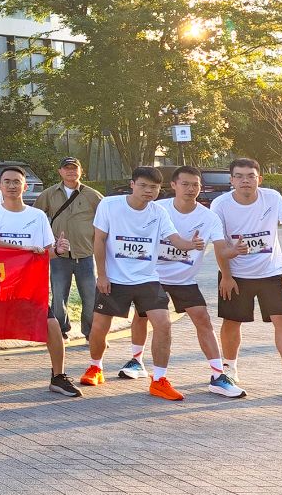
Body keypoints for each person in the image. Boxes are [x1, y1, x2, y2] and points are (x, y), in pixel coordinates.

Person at [81, 166, 208, 400]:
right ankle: (95, 367)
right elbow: (99, 240)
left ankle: (159, 380)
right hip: (115, 279)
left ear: (160, 189)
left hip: (147, 279)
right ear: (132, 185)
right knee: (99, 327)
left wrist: (192, 244)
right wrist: (102, 275)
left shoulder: (159, 212)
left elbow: (175, 239)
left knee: (164, 324)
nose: (148, 191)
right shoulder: (109, 205)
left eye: (154, 187)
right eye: (143, 186)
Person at [117, 166, 243, 398]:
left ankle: (218, 376)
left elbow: (221, 249)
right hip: (153, 276)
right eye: (185, 184)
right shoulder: (158, 209)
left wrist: (233, 252)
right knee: (142, 316)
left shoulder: (208, 217)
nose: (190, 189)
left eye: (195, 185)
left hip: (184, 279)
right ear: (173, 185)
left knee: (202, 318)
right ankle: (136, 361)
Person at [211, 157, 282, 400]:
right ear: (231, 180)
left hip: (271, 272)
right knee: (231, 322)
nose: (245, 181)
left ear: (259, 178)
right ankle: (229, 369)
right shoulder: (220, 204)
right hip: (236, 275)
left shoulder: (272, 198)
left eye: (250, 176)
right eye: (239, 176)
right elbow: (219, 246)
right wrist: (226, 276)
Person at [0, 165, 82, 398]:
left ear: (25, 186)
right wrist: (24, 249)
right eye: (7, 181)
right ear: (0, 186)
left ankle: (58, 377)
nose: (12, 186)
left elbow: (45, 252)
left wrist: (58, 250)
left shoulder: (37, 216)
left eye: (17, 182)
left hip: (29, 286)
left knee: (52, 326)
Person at [33, 157, 104, 340]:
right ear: (60, 171)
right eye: (67, 168)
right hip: (59, 255)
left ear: (81, 171)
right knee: (58, 296)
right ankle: (60, 331)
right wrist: (45, 241)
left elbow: (107, 218)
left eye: (74, 168)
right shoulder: (49, 194)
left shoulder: (92, 195)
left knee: (90, 296)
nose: (71, 171)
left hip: (85, 253)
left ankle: (90, 332)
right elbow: (35, 217)